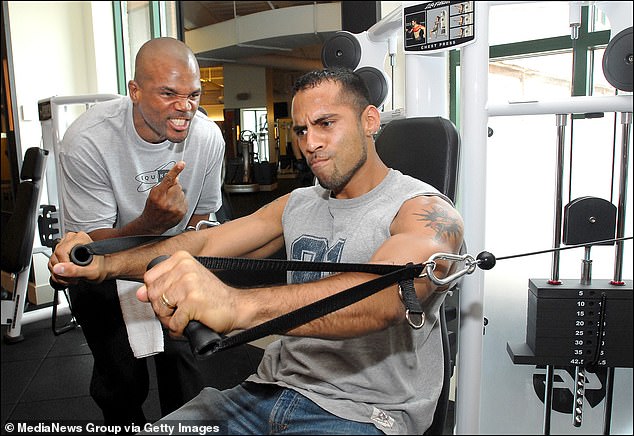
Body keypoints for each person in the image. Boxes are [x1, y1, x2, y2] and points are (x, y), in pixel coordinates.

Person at [50, 67, 464, 435]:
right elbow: (206, 242)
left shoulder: (424, 210)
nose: (311, 143)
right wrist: (103, 263)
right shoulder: (299, 203)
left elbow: (384, 298)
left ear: (369, 120)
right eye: (301, 130)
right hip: (265, 392)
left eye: (325, 124)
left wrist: (235, 306)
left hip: (363, 412)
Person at [55, 37, 228, 426]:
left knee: (186, 375)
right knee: (121, 383)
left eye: (193, 95)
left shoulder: (206, 137)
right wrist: (150, 224)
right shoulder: (88, 140)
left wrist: (197, 243)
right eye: (168, 93)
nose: (185, 107)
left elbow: (203, 215)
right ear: (134, 91)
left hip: (174, 257)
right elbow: (91, 248)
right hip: (102, 264)